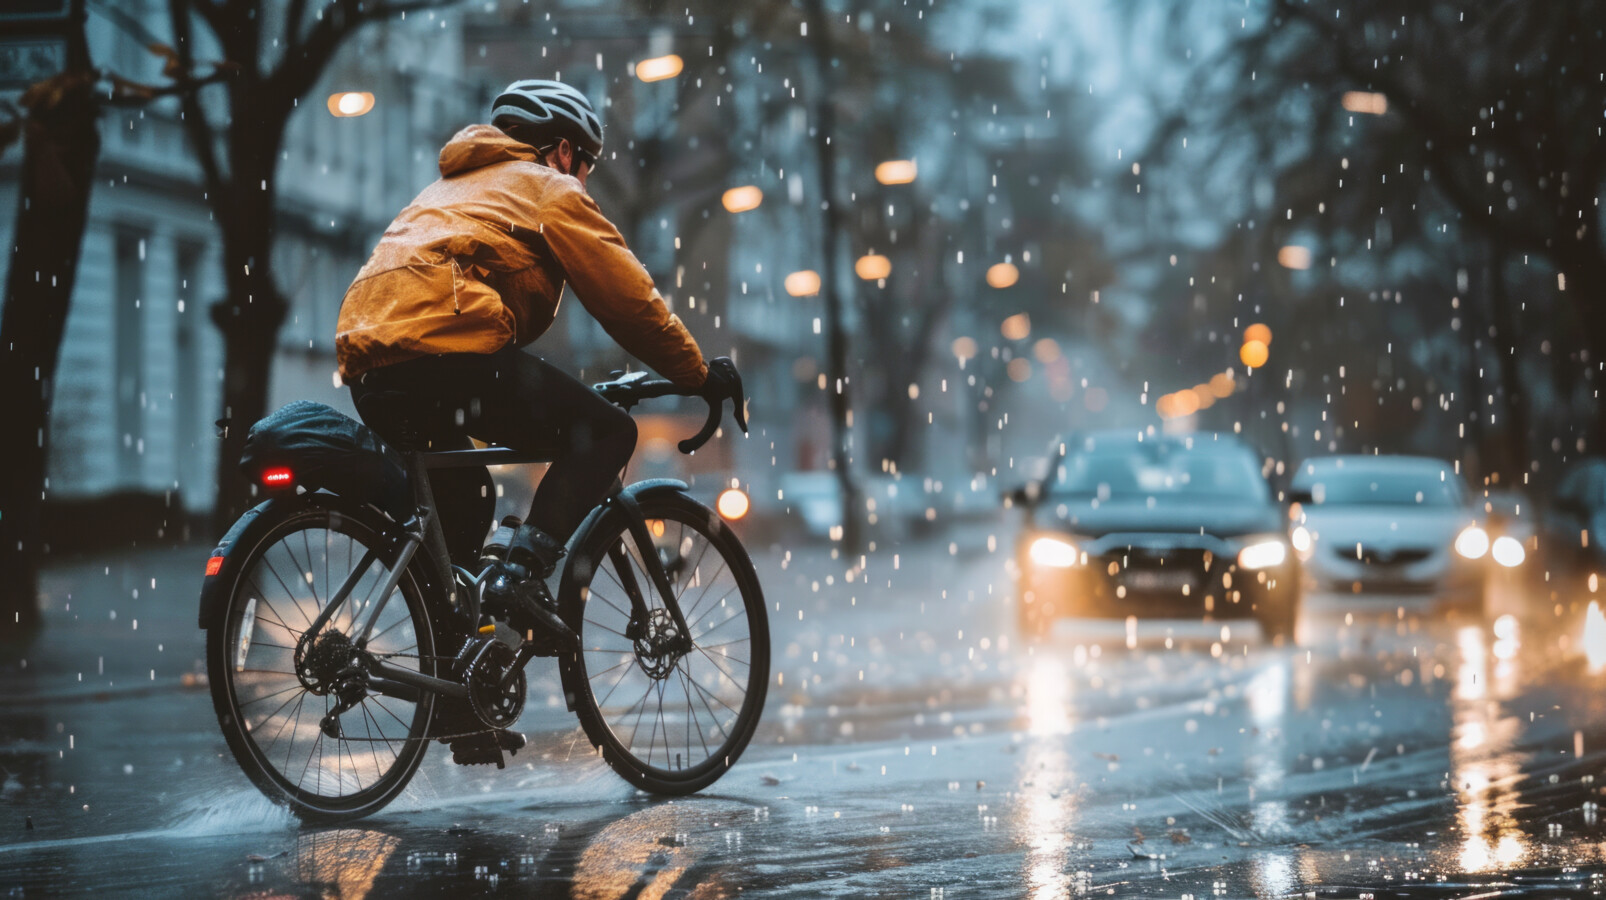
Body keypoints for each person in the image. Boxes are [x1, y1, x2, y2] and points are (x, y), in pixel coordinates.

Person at [334, 79, 734, 640]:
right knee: (606, 433)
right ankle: (519, 577)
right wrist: (696, 373)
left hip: (371, 361)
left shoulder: (443, 191)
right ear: (564, 151)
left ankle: (456, 698)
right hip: (444, 355)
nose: (584, 180)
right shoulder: (546, 186)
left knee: (465, 508)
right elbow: (625, 298)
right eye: (586, 164)